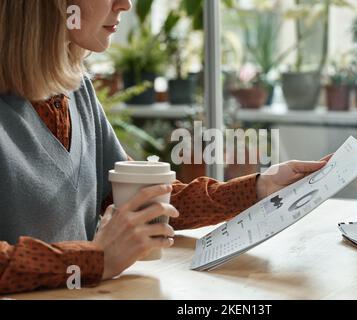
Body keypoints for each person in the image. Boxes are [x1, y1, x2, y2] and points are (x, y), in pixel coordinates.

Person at [0, 0, 331, 295]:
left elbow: (149, 201)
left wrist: (260, 186)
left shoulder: (75, 89)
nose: (125, 4)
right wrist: (95, 258)